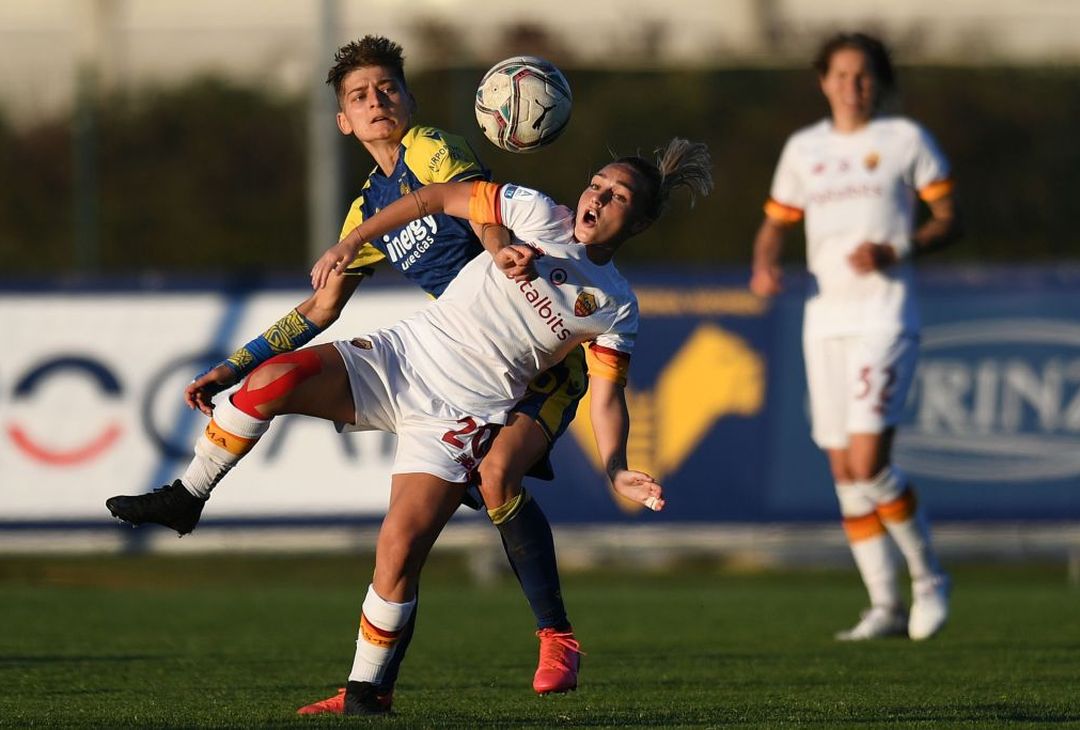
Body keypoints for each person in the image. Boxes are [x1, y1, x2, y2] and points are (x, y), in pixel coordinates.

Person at [112, 139, 712, 714]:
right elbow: (433, 198)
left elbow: (607, 397)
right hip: (402, 357)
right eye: (597, 184)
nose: (598, 198)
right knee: (273, 380)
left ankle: (367, 696)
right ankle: (186, 497)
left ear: (636, 225)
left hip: (464, 412)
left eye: (618, 198)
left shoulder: (615, 303)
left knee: (398, 552)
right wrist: (355, 241)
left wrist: (615, 469)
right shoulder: (534, 212)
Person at [105, 36, 588, 709]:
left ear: (410, 99)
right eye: (360, 96)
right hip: (450, 356)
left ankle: (554, 634)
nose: (376, 101)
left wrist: (502, 248)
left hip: (530, 357)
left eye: (388, 88)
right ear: (343, 121)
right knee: (295, 418)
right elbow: (322, 306)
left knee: (492, 481)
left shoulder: (431, 148)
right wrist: (234, 363)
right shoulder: (368, 207)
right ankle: (362, 685)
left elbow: (475, 203)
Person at [750, 32, 961, 641]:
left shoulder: (905, 140)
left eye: (864, 75)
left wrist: (900, 247)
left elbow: (950, 219)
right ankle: (885, 607)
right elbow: (774, 224)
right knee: (845, 470)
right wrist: (765, 263)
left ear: (880, 83)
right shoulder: (804, 148)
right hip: (826, 319)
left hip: (884, 315)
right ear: (824, 82)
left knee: (870, 462)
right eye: (841, 75)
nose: (852, 85)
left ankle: (929, 579)